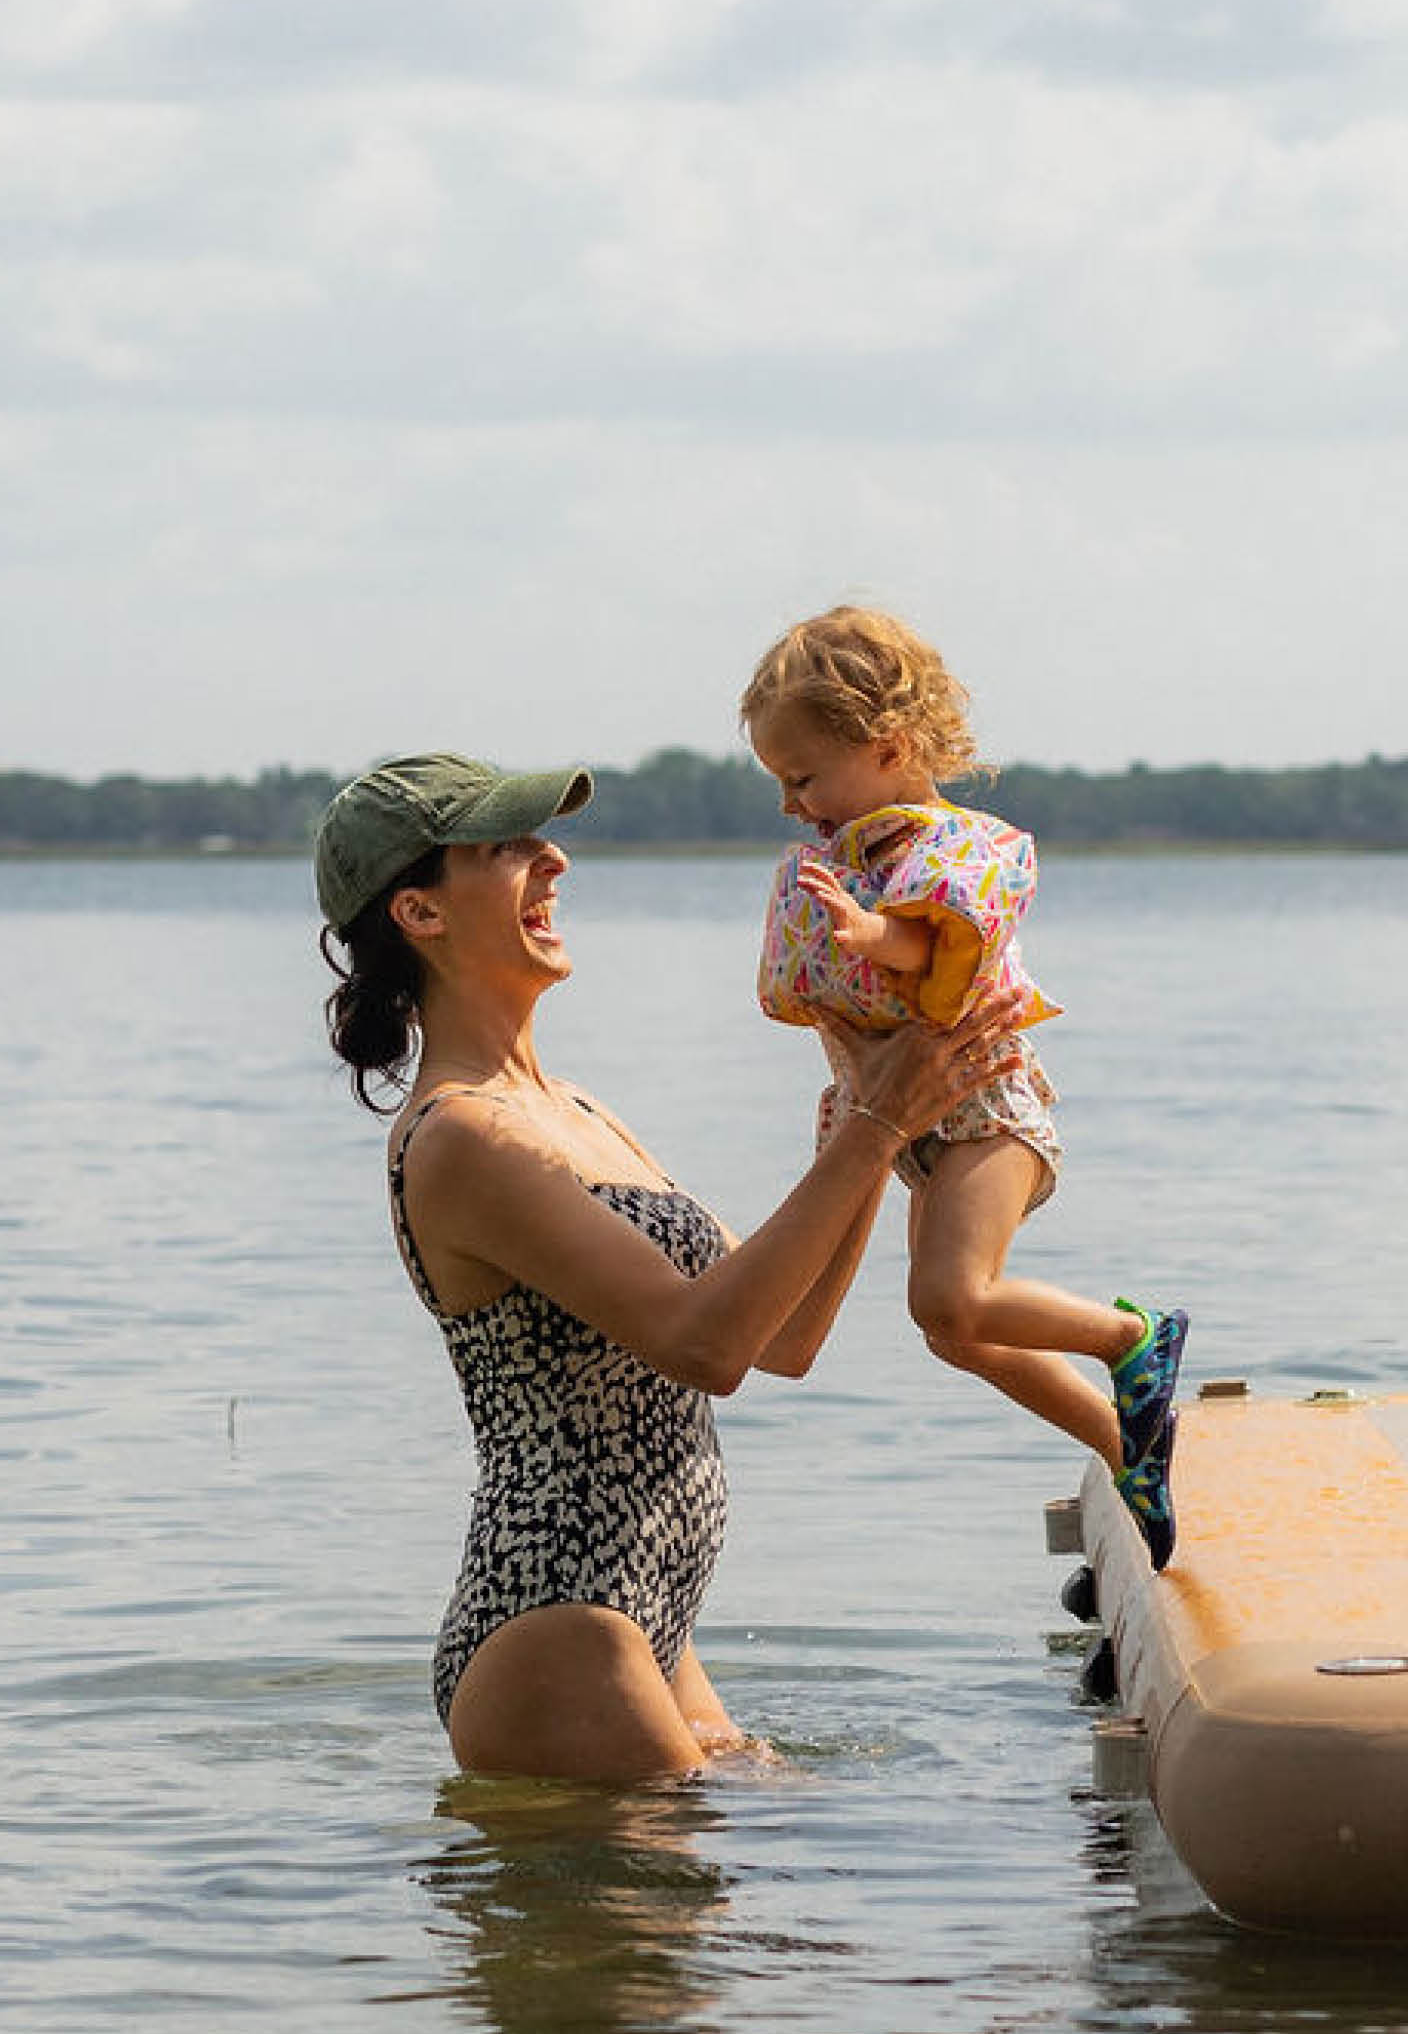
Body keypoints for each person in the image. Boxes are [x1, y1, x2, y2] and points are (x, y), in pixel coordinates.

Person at [315, 747, 1033, 1787]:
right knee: (709, 1929)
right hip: (558, 1631)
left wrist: (870, 1105)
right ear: (420, 913)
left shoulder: (576, 1113)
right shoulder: (460, 1135)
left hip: (648, 1622)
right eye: (508, 847)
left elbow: (781, 1338)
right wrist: (875, 1125)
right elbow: (706, 1346)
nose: (553, 860)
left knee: (769, 1902)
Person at [741, 606, 1188, 1556]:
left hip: (987, 1113)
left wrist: (864, 934)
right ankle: (1129, 1450)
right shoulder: (850, 856)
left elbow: (935, 936)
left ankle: (1131, 1338)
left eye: (802, 777)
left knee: (951, 1300)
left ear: (888, 746)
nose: (790, 804)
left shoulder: (951, 847)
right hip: (925, 1129)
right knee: (951, 1331)